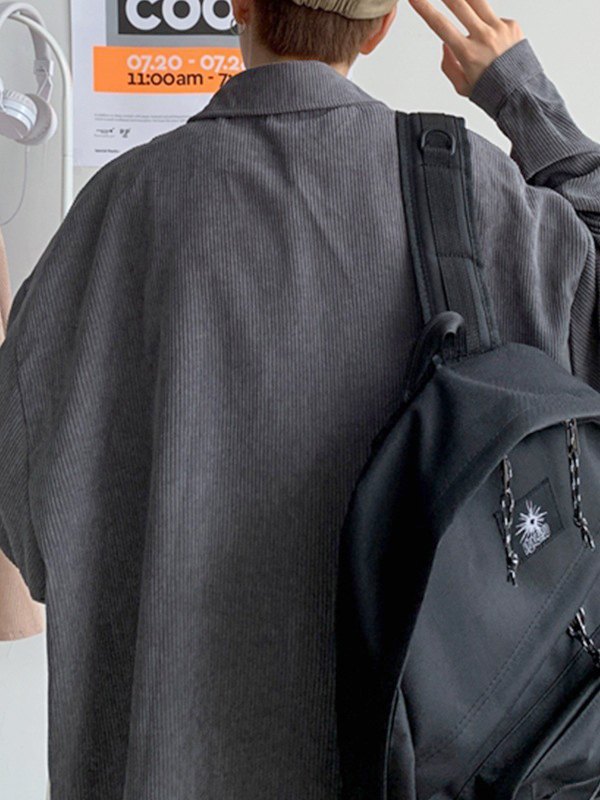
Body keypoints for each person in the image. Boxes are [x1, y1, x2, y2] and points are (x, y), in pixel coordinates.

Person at [0, 0, 598, 797]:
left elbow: (23, 517)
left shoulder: (117, 211)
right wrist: (522, 96)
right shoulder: (481, 198)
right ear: (381, 29)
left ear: (237, 6)